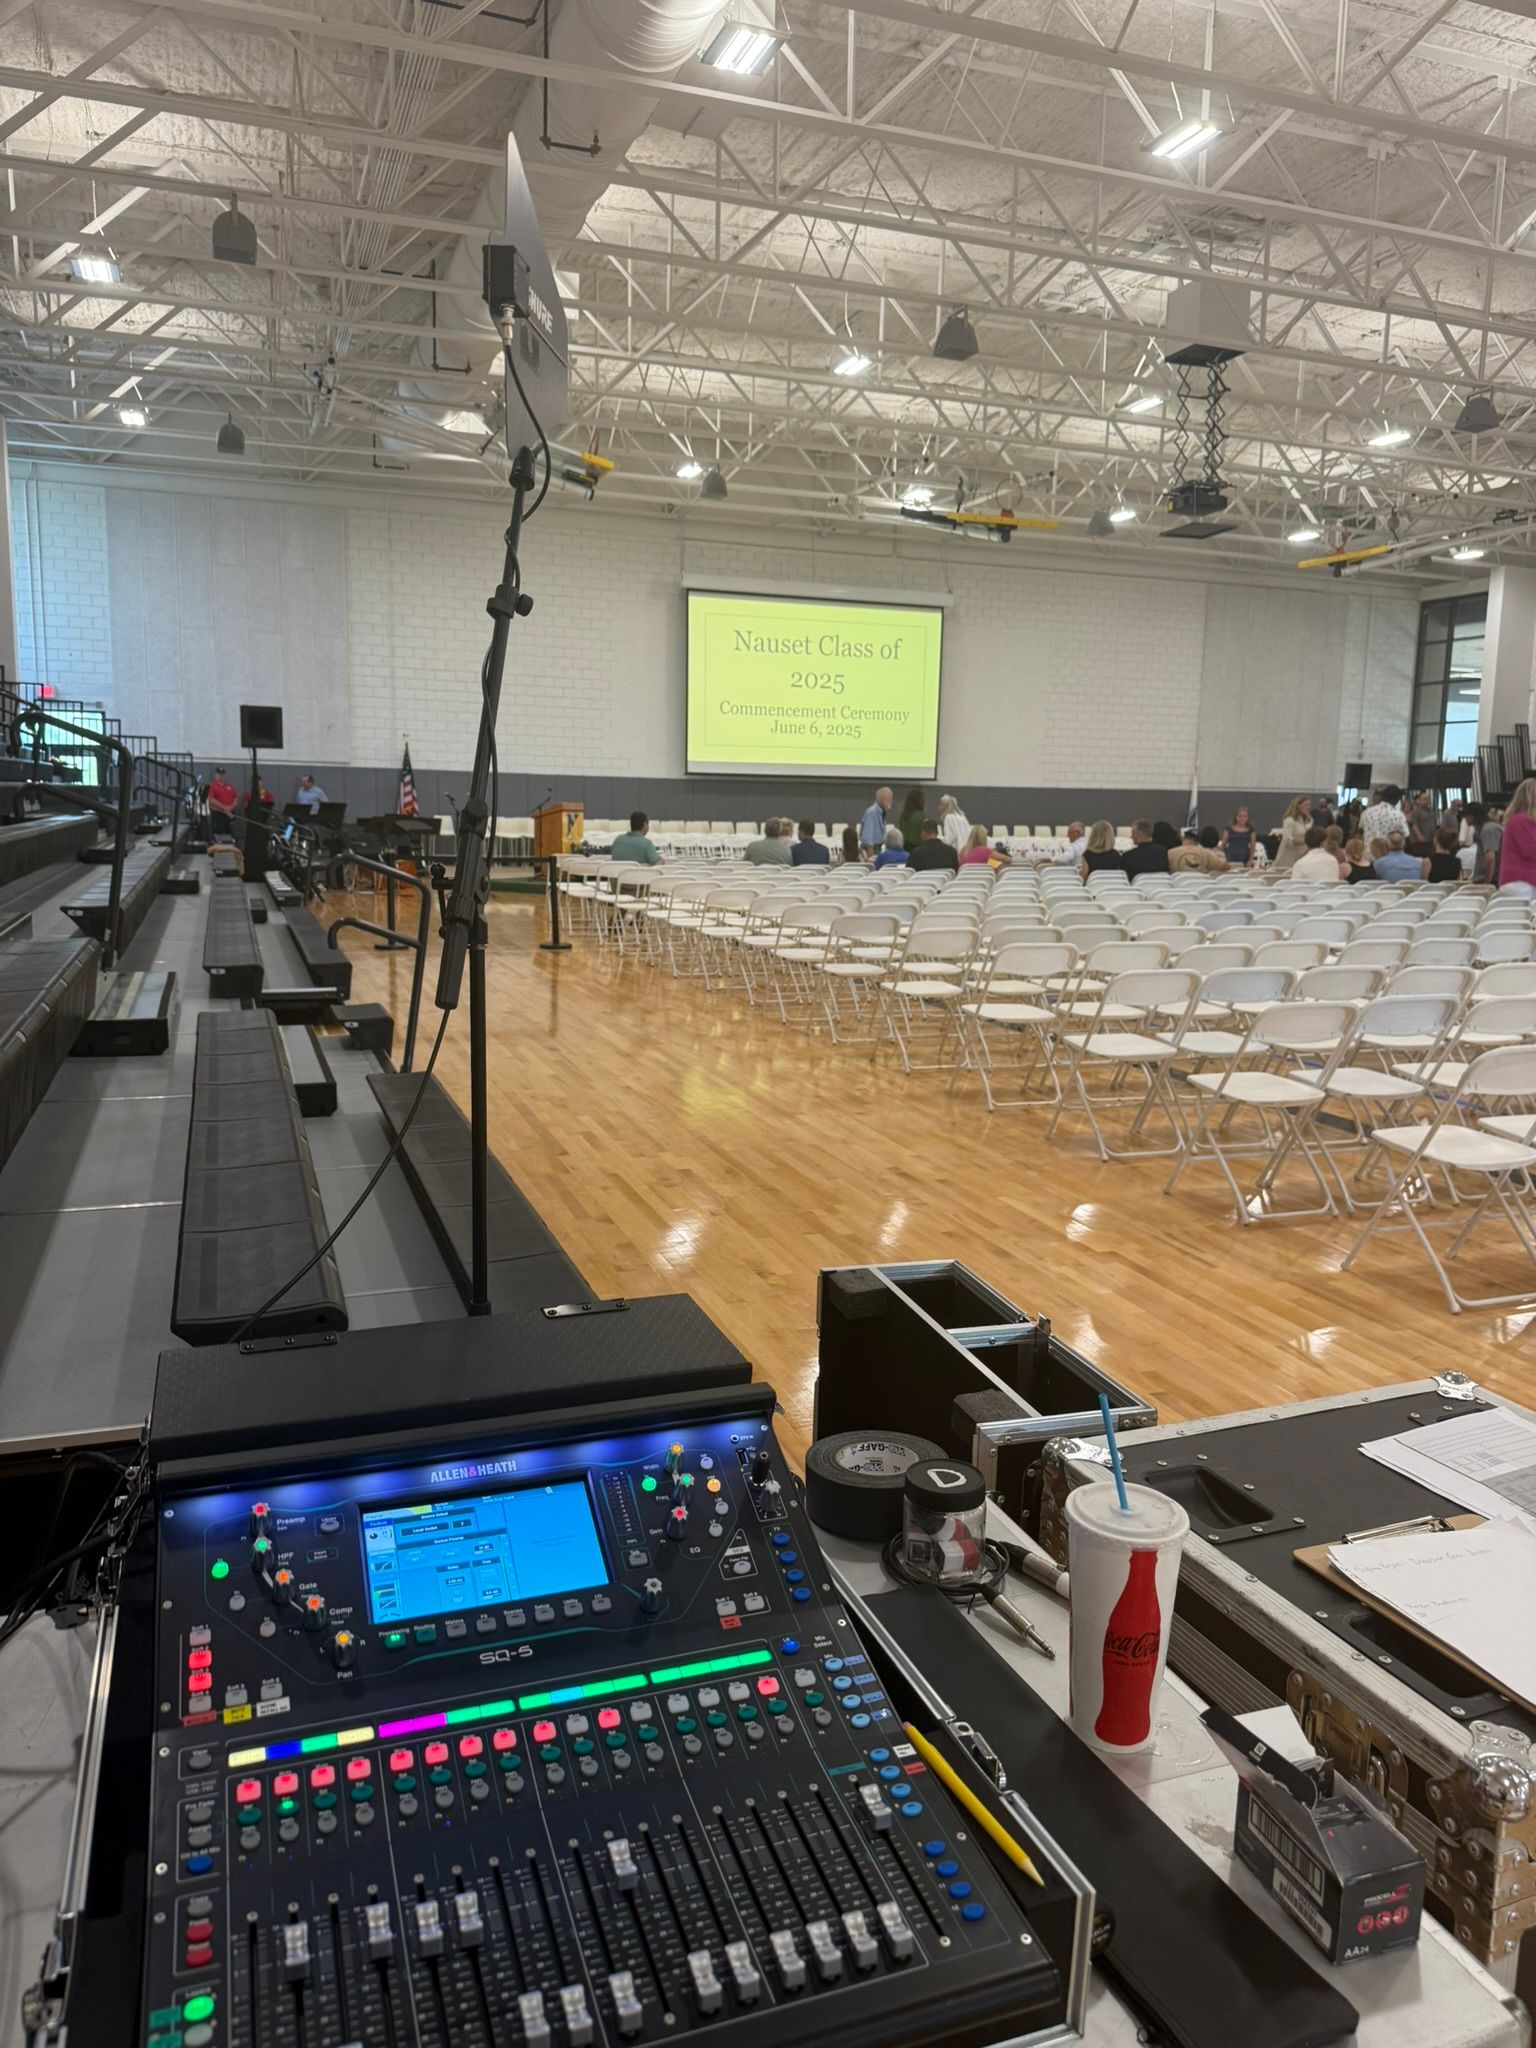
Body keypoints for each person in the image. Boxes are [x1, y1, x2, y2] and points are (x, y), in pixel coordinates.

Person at [1496, 778, 1536, 897]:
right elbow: (1532, 851)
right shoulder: (1522, 821)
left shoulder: (1516, 820)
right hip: (1523, 882)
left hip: (1520, 881)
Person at [1360, 784, 1409, 851]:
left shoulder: (1366, 812)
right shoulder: (1398, 815)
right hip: (1389, 857)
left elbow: (1360, 832)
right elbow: (1406, 836)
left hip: (1368, 855)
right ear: (1397, 800)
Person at [1272, 796, 1311, 873]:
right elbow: (1288, 841)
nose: (1308, 807)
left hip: (1302, 855)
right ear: (1298, 806)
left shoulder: (1309, 821)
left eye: (1309, 805)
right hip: (1289, 855)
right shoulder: (1289, 820)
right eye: (1306, 805)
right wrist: (1307, 840)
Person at [859, 785, 893, 854]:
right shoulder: (872, 813)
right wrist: (870, 856)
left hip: (878, 848)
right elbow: (868, 838)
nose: (891, 801)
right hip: (870, 849)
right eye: (889, 799)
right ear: (883, 800)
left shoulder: (882, 812)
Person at [1479, 804, 1505, 885]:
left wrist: (1487, 882)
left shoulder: (1489, 828)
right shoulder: (1499, 828)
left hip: (1494, 878)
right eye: (1491, 812)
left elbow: (1490, 857)